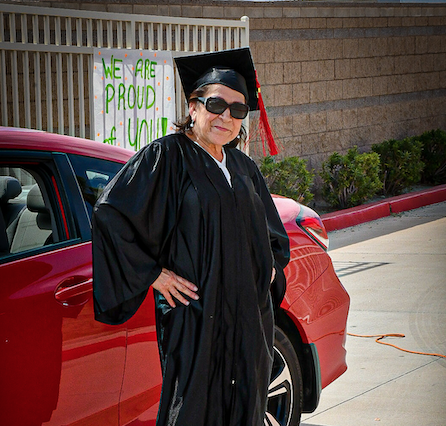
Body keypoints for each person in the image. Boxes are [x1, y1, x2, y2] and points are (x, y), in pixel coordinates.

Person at [92, 47, 290, 426]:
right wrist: (154, 274)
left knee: (247, 406)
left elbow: (272, 236)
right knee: (194, 409)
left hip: (250, 321)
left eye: (237, 109)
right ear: (193, 106)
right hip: (197, 318)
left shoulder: (244, 167)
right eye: (216, 104)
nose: (226, 117)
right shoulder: (166, 157)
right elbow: (110, 213)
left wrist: (266, 270)